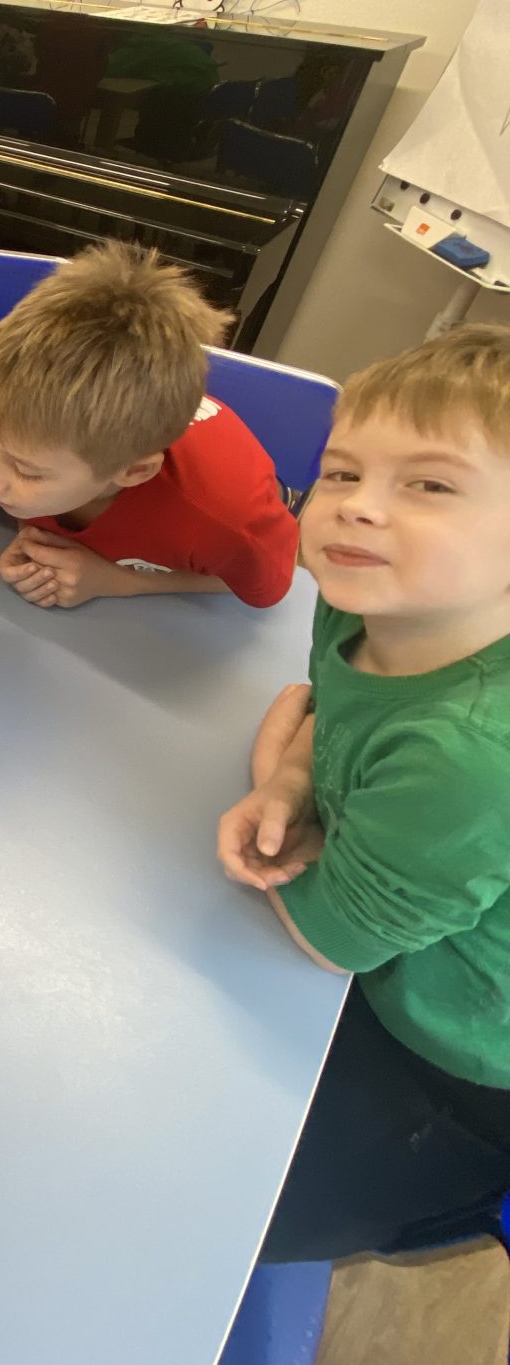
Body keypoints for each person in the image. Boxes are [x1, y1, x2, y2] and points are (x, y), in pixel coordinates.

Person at [218, 326, 510, 1262]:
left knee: (216, 1217)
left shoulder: (473, 752)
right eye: (342, 473)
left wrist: (269, 772)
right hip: (381, 923)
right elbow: (327, 705)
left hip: (446, 1057)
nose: (357, 508)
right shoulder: (367, 598)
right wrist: (297, 776)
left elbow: (332, 938)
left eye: (430, 485)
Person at [0, 241, 297, 608]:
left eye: (28, 472)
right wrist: (34, 533)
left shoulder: (225, 526)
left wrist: (115, 580)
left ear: (134, 471)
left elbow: (261, 584)